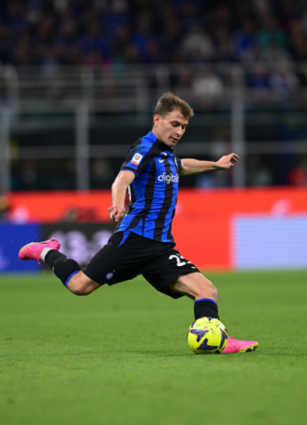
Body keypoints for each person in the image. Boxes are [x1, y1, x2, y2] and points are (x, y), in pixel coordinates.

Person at [19, 93, 257, 354]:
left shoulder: (166, 153)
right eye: (174, 124)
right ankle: (46, 250)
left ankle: (217, 341)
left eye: (184, 127)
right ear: (157, 119)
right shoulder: (144, 148)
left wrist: (215, 165)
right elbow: (121, 179)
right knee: (80, 286)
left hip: (160, 247)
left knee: (207, 289)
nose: (179, 131)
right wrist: (118, 203)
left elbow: (181, 166)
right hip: (134, 240)